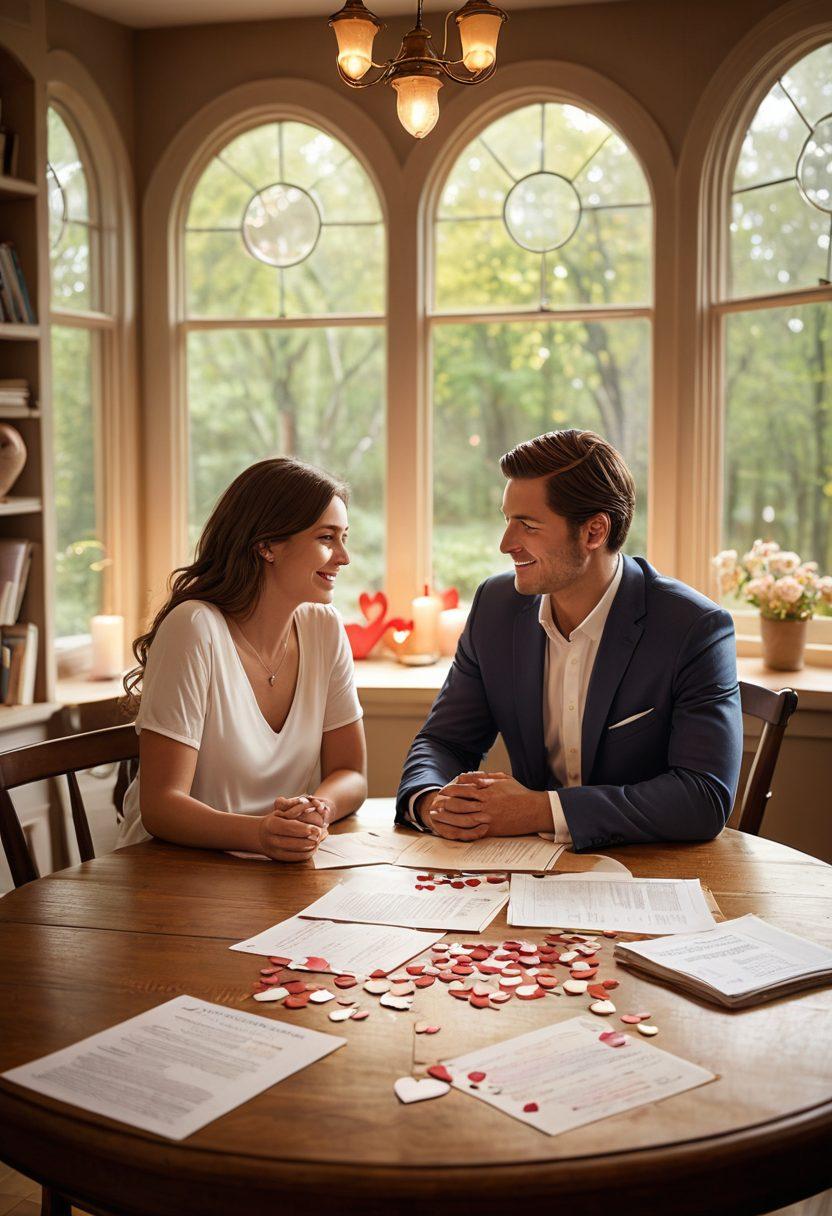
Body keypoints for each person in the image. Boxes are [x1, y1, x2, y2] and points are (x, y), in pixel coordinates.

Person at [396, 429, 743, 851]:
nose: (506, 543)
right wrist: (433, 802)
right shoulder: (495, 606)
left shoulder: (694, 628)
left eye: (527, 525)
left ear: (594, 532)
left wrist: (537, 809)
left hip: (649, 875)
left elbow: (702, 797)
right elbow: (445, 741)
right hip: (528, 870)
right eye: (507, 519)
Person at [119, 457, 367, 862]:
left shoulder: (324, 627)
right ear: (266, 545)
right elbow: (162, 806)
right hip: (170, 870)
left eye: (344, 537)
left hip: (271, 869)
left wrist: (318, 810)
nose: (344, 556)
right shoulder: (194, 627)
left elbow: (350, 775)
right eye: (327, 538)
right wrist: (260, 834)